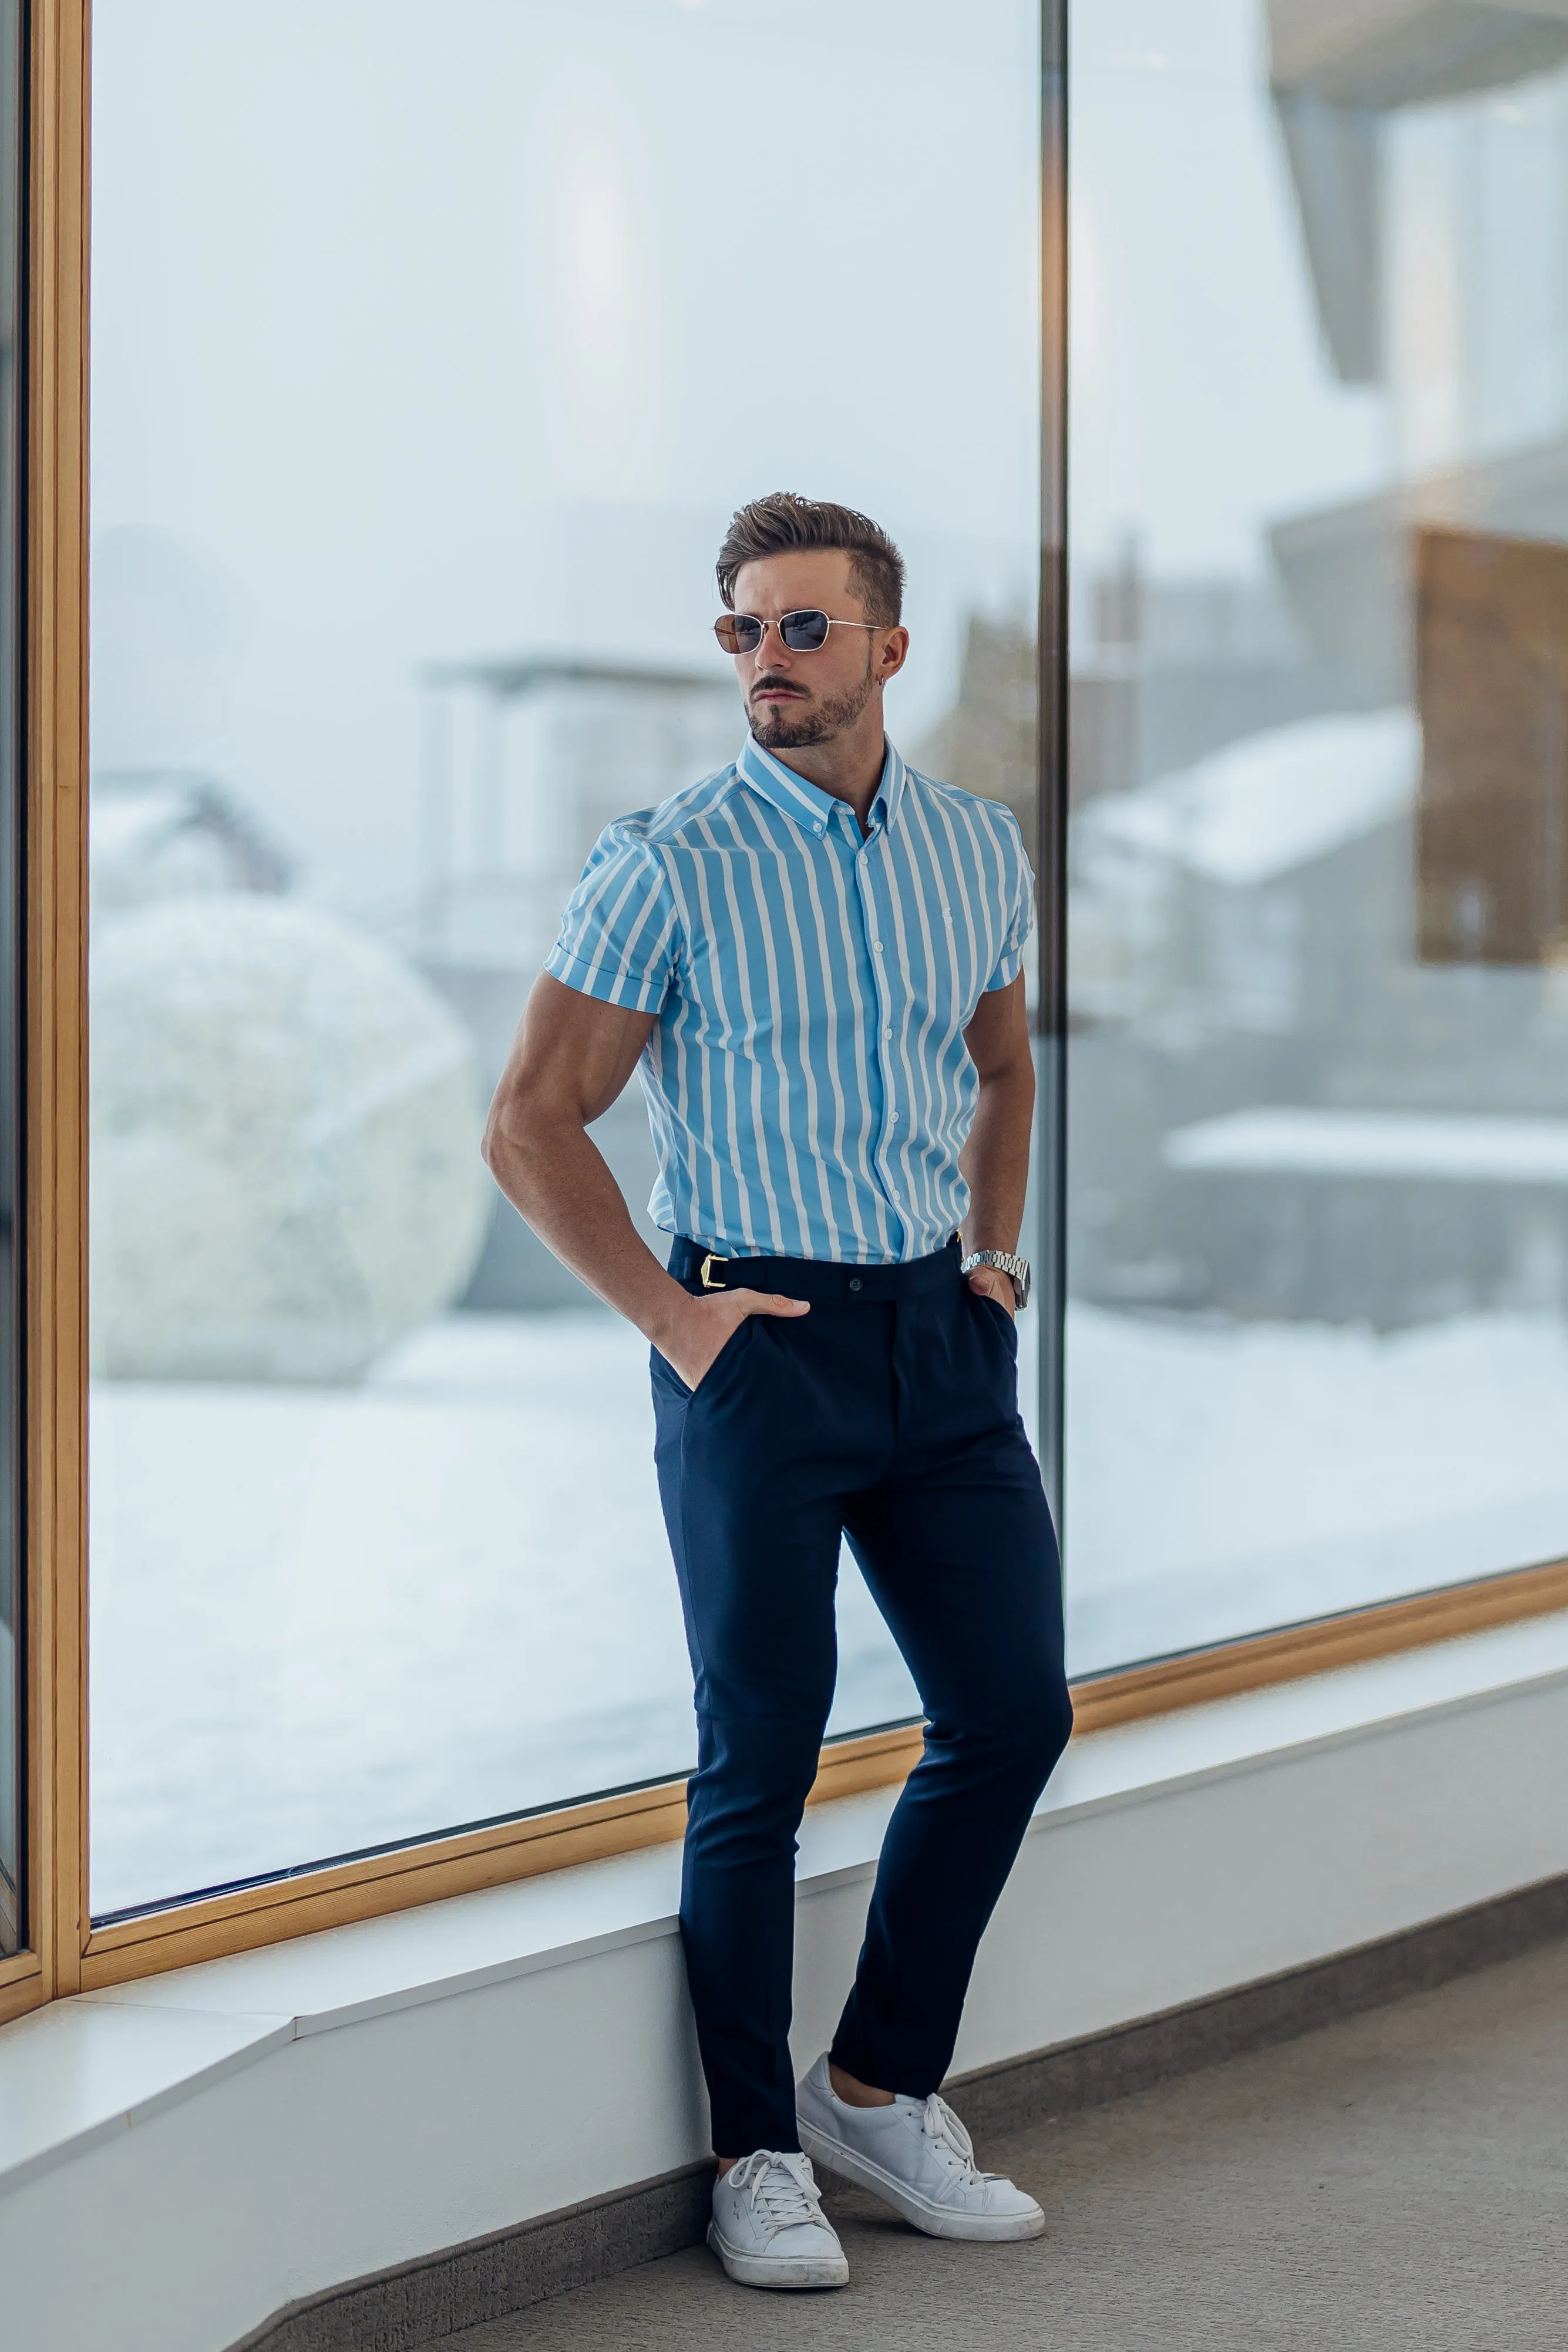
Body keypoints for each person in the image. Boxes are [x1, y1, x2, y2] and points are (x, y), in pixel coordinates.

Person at [482, 492, 1072, 2292]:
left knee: (1012, 1712)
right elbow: (529, 1120)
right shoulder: (663, 861)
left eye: (805, 629)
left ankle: (876, 2090)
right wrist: (674, 1322)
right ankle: (757, 2151)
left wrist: (993, 1264)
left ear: (887, 648)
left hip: (940, 1348)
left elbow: (1000, 1065)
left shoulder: (975, 846)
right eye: (743, 630)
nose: (769, 661)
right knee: (761, 1758)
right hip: (756, 1345)